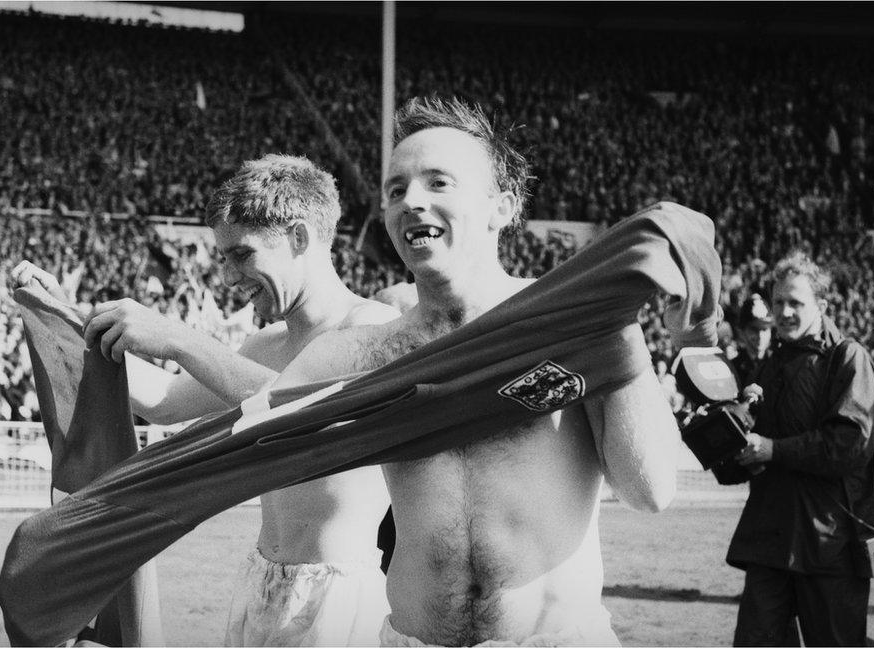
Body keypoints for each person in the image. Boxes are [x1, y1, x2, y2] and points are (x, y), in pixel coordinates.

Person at [272, 97, 685, 646]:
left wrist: (618, 331)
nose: (410, 201)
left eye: (437, 183)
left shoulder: (571, 326)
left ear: (502, 207)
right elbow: (240, 433)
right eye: (396, 190)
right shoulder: (359, 354)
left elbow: (650, 490)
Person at [11, 154, 398, 646]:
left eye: (242, 254)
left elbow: (313, 417)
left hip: (339, 597)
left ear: (299, 237)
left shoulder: (372, 330)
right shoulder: (263, 344)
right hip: (259, 582)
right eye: (224, 259)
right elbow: (165, 401)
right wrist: (67, 321)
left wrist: (179, 338)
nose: (231, 277)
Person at [728, 252, 874, 647]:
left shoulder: (849, 358)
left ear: (822, 306)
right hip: (771, 539)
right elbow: (742, 461)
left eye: (796, 302)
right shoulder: (767, 366)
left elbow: (849, 444)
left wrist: (772, 449)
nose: (784, 312)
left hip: (830, 544)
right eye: (779, 302)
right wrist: (727, 430)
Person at [732, 294, 773, 384]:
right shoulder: (732, 368)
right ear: (741, 332)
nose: (760, 335)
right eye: (754, 329)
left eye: (764, 329)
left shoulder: (778, 364)